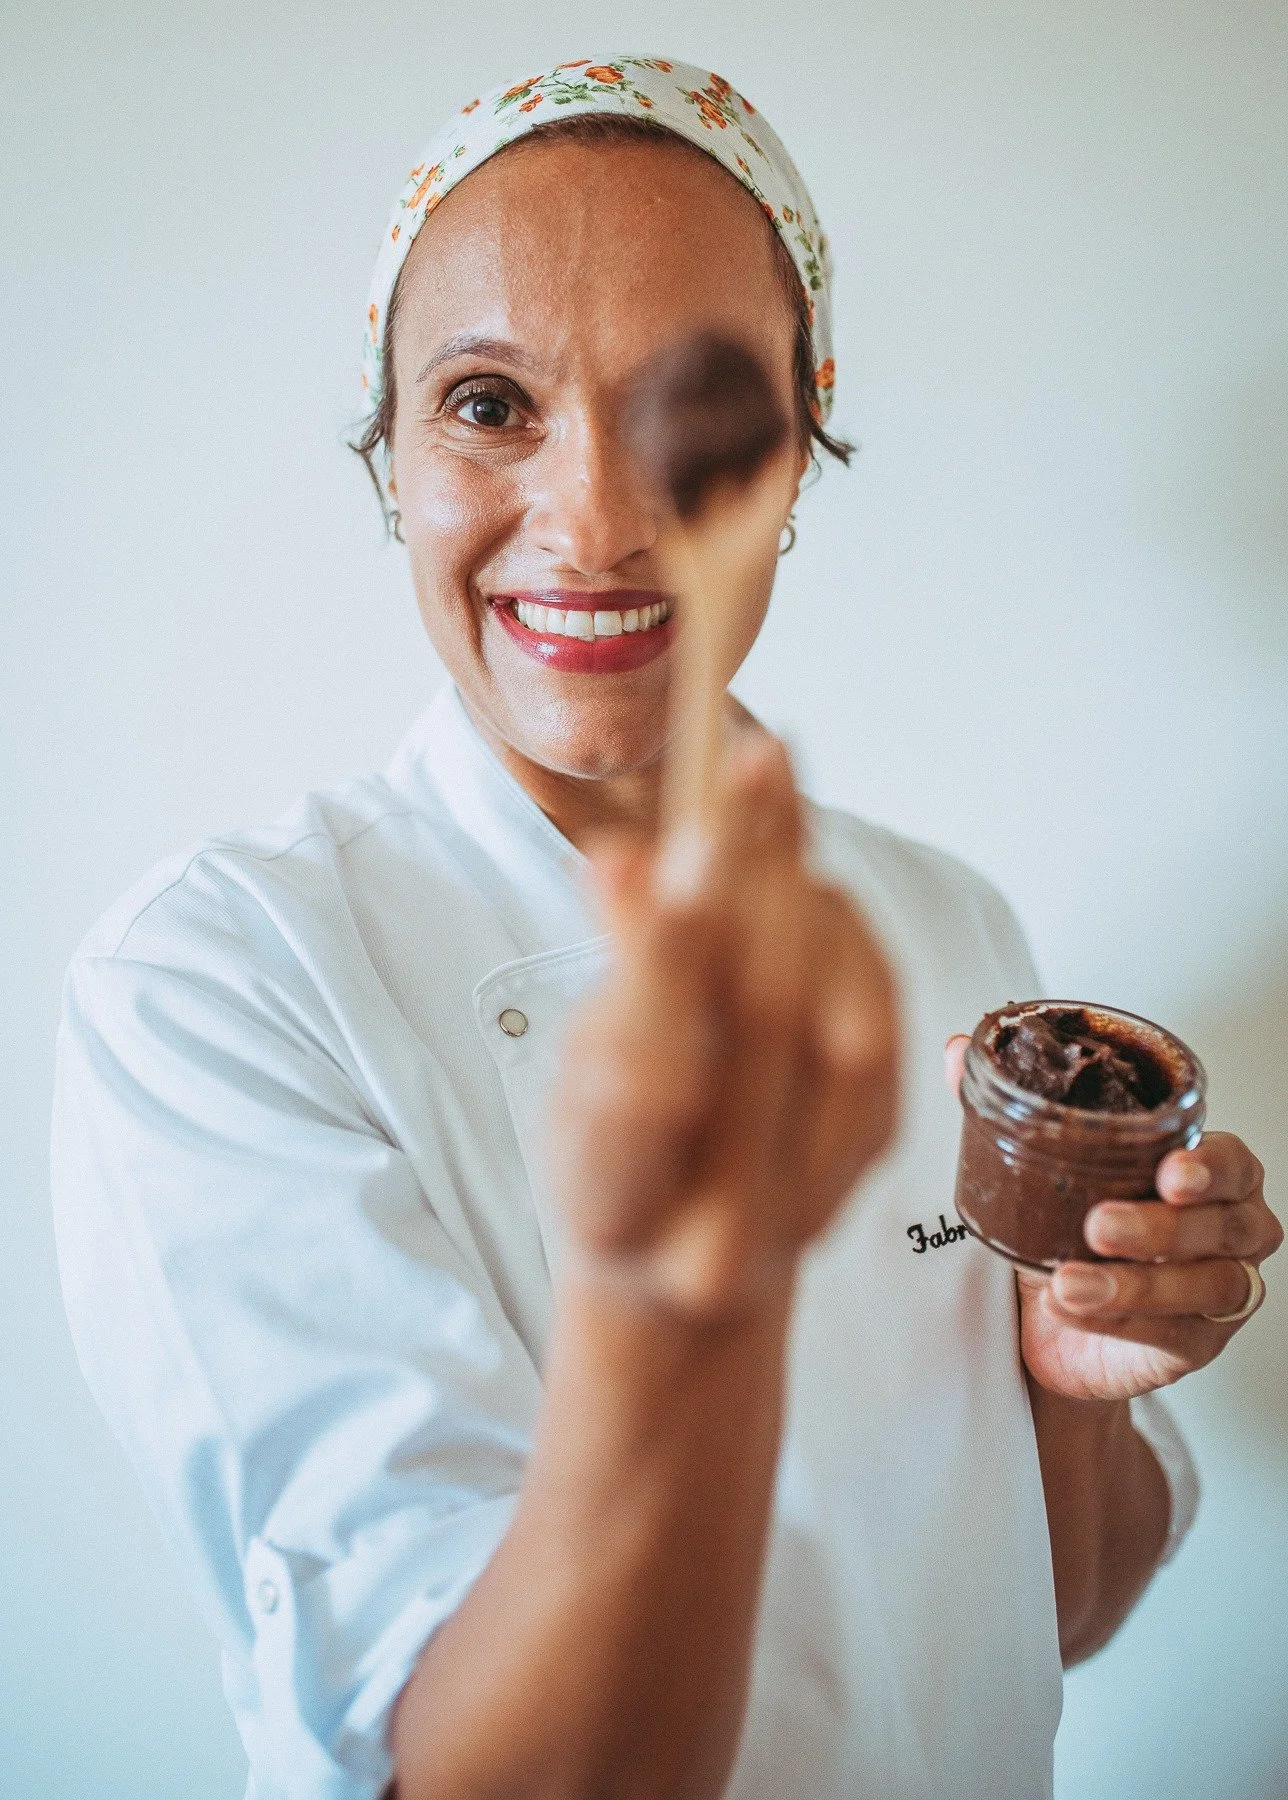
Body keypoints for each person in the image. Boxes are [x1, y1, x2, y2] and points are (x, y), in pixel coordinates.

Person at [50, 55, 1281, 1800]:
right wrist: (679, 1289)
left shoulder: (952, 925)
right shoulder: (219, 987)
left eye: (697, 416)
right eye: (489, 403)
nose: (598, 523)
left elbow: (1058, 1611)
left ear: (797, 459)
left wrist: (1078, 1384)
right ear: (390, 454)